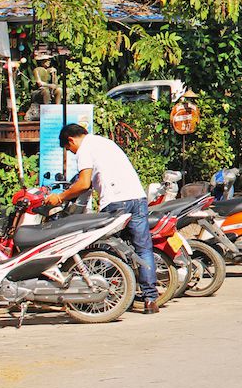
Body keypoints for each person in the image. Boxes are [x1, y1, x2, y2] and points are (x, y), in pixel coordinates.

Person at [47, 123, 161, 314]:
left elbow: (83, 183)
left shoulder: (84, 148)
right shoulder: (106, 143)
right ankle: (150, 299)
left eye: (70, 149)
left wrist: (59, 197)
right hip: (138, 198)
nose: (73, 153)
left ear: (71, 140)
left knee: (108, 248)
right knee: (142, 249)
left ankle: (117, 294)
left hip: (116, 201)